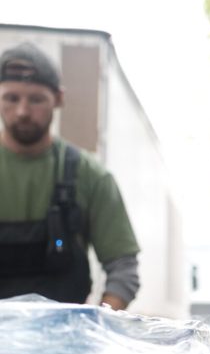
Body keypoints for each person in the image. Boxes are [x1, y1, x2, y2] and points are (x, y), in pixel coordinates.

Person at [0, 42, 139, 308]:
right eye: (11, 98)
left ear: (59, 99)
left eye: (36, 99)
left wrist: (96, 326)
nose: (23, 111)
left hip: (65, 344)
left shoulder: (90, 176)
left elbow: (123, 267)